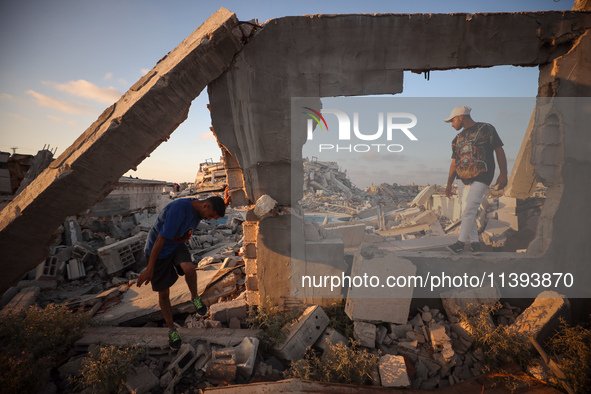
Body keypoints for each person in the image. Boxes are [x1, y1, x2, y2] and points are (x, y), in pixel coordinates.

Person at [137, 194, 228, 349]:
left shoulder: (201, 209)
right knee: (164, 294)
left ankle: (195, 298)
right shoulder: (179, 210)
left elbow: (214, 205)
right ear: (205, 206)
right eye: (211, 216)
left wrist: (226, 202)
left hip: (176, 244)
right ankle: (172, 330)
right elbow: (160, 240)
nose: (210, 219)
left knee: (189, 268)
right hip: (158, 250)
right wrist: (150, 269)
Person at [444, 106, 508, 254]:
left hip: (482, 175)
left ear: (461, 116)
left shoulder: (487, 129)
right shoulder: (457, 139)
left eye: (452, 120)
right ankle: (474, 244)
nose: (452, 124)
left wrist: (503, 173)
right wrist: (449, 184)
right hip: (461, 178)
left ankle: (460, 243)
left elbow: (499, 149)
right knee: (467, 212)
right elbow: (454, 163)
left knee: (469, 209)